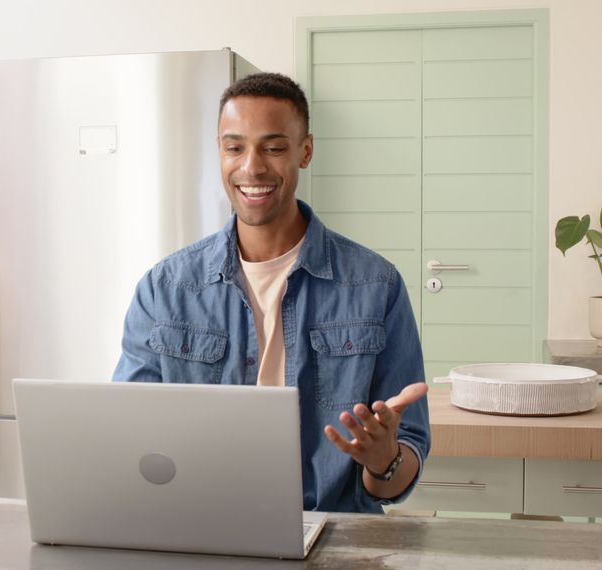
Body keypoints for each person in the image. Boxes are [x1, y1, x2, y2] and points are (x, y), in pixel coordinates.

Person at [112, 72, 430, 513]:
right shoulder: (164, 289)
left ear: (306, 151)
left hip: (334, 536)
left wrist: (383, 462)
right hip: (200, 532)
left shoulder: (376, 285)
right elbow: (128, 434)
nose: (252, 167)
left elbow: (403, 463)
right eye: (234, 147)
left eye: (274, 147)